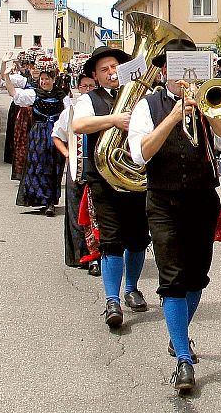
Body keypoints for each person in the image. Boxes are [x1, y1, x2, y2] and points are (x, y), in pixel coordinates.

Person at [128, 38, 221, 392]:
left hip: (202, 198)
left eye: (193, 69)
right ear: (164, 72)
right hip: (163, 201)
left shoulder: (211, 99)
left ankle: (179, 335)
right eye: (177, 70)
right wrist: (173, 116)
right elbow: (140, 153)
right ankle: (183, 360)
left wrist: (210, 113)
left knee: (197, 277)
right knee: (172, 279)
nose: (184, 78)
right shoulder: (147, 106)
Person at [72, 46, 151, 329]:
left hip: (137, 178)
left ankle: (131, 288)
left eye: (115, 67)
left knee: (139, 237)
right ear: (95, 74)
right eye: (104, 69)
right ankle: (111, 300)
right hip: (104, 179)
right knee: (111, 239)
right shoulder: (89, 99)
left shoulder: (140, 97)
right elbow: (79, 125)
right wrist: (114, 120)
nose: (111, 73)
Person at [52, 74, 100, 275]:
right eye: (84, 86)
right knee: (76, 213)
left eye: (91, 85)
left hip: (97, 169)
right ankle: (80, 254)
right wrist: (67, 155)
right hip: (76, 169)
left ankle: (97, 257)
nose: (88, 89)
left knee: (96, 213)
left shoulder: (100, 109)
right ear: (78, 88)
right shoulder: (70, 112)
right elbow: (57, 135)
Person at [5, 67, 68, 216]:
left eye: (47, 79)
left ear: (53, 80)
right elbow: (14, 93)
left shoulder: (62, 97)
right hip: (38, 135)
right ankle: (42, 199)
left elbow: (70, 116)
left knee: (54, 167)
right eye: (42, 79)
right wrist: (6, 75)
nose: (44, 82)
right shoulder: (34, 94)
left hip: (56, 134)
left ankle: (51, 201)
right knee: (39, 166)